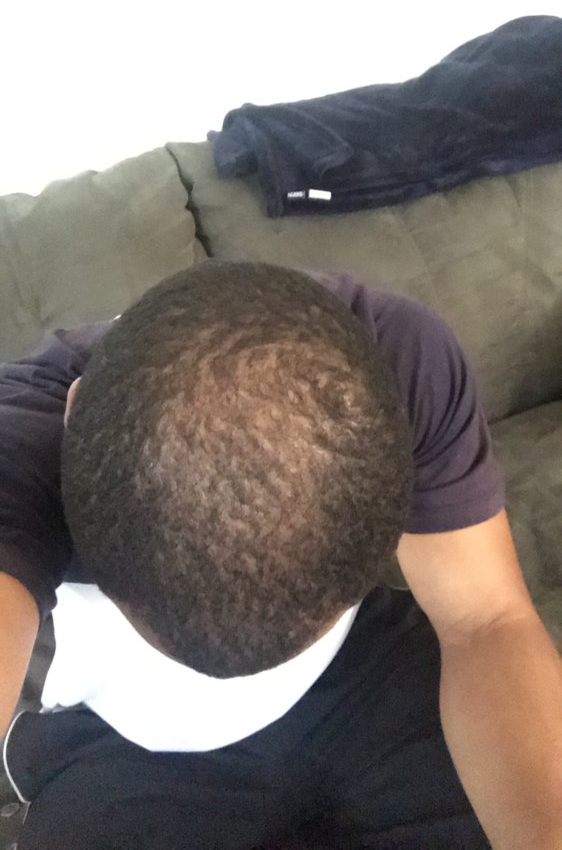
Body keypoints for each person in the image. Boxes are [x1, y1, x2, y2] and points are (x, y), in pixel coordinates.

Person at [0, 260, 557, 850]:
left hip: (362, 672)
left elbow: (484, 620)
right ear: (74, 418)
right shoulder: (16, 450)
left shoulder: (404, 365)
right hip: (123, 737)